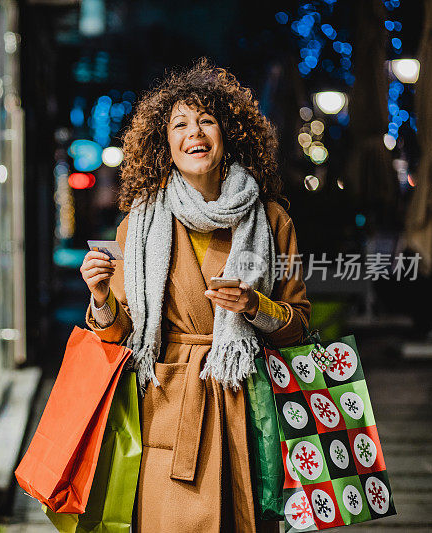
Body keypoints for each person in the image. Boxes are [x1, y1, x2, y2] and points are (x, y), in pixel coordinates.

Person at [79, 58, 310, 532]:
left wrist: (255, 307)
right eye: (179, 123)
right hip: (168, 405)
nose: (194, 133)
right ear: (164, 144)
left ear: (229, 134)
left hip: (244, 405)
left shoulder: (270, 221)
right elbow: (118, 333)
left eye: (207, 120)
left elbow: (300, 323)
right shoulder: (139, 227)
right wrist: (101, 296)